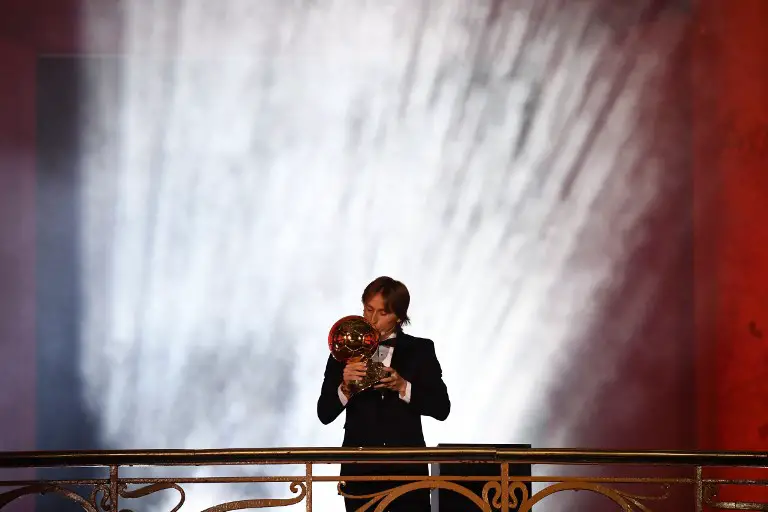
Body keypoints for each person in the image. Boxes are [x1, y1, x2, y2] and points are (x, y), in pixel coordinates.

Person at [317, 276, 451, 512]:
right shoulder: (342, 352)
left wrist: (403, 387)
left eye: (382, 313)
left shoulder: (421, 350)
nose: (372, 319)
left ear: (399, 316)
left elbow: (442, 408)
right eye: (368, 310)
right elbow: (324, 413)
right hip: (359, 475)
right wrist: (345, 387)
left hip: (409, 474)